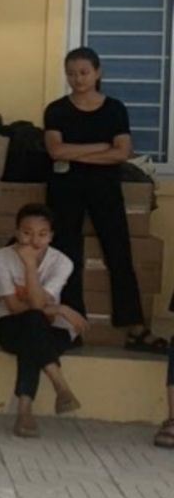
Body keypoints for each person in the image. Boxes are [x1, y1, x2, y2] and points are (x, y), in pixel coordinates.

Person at [45, 46, 164, 353]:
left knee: (118, 252)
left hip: (105, 188)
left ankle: (135, 327)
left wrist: (77, 152)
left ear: (98, 72)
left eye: (84, 72)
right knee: (67, 255)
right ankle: (71, 326)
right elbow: (56, 151)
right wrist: (101, 147)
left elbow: (122, 153)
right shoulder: (56, 109)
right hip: (65, 189)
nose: (77, 79)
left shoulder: (114, 109)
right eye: (71, 73)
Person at [0, 204, 85, 438]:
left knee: (33, 336)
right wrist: (59, 308)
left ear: (51, 236)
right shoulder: (2, 257)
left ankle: (24, 411)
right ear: (16, 232)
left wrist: (30, 266)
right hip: (10, 325)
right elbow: (14, 307)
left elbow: (36, 307)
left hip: (51, 330)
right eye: (27, 233)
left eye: (42, 234)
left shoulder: (62, 262)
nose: (34, 241)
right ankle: (60, 384)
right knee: (33, 324)